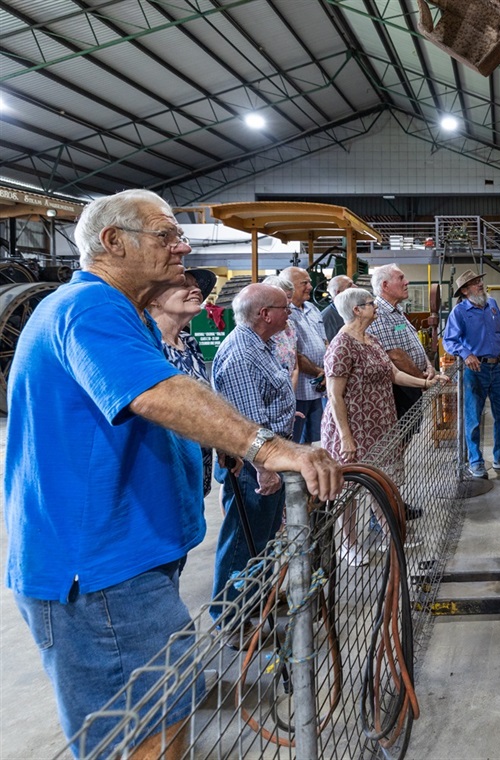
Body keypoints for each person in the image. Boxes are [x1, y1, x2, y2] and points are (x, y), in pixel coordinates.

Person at [4, 189, 341, 759]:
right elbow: (157, 393)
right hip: (101, 574)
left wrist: (218, 442)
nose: (182, 246)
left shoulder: (118, 315)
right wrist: (264, 445)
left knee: (166, 715)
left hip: (124, 566)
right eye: (166, 235)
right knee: (147, 736)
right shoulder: (89, 307)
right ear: (112, 243)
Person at [322, 288, 446, 564]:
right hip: (353, 428)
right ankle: (349, 544)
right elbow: (334, 394)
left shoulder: (371, 338)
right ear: (356, 310)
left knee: (384, 482)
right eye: (370, 304)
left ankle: (391, 531)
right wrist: (346, 437)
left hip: (380, 424)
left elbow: (395, 374)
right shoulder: (342, 345)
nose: (374, 307)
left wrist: (426, 383)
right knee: (349, 490)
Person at [210, 283, 299, 639]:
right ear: (265, 314)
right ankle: (231, 619)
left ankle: (255, 598)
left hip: (269, 457)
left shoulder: (258, 345)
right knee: (242, 542)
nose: (289, 312)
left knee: (261, 539)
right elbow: (249, 423)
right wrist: (265, 468)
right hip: (253, 466)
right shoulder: (241, 354)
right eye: (284, 307)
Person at [442, 269, 500, 479]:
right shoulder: (459, 313)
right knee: (474, 418)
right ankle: (475, 461)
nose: (480, 285)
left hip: (498, 367)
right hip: (475, 371)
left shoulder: (492, 305)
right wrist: (466, 354)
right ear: (465, 291)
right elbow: (449, 341)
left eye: (479, 281)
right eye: (475, 283)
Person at [147, 268, 217, 499]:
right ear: (154, 298)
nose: (195, 290)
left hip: (197, 467)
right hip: (165, 472)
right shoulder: (148, 346)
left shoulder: (189, 342)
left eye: (196, 286)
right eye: (184, 285)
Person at [367, 263, 435, 421]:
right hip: (399, 388)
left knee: (410, 436)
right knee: (400, 437)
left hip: (412, 383)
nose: (407, 282)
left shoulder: (397, 311)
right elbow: (394, 355)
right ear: (385, 285)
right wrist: (422, 380)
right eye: (401, 278)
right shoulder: (379, 313)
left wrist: (429, 365)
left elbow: (413, 342)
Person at [282, 266, 327, 444]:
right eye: (304, 283)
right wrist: (318, 371)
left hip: (318, 388)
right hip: (299, 389)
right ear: (290, 286)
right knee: (295, 442)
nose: (310, 286)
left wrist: (326, 370)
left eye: (309, 282)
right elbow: (293, 353)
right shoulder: (286, 313)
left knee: (315, 440)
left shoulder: (312, 309)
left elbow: (324, 341)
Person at [262, 274, 300, 389]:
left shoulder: (289, 325)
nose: (290, 301)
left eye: (290, 296)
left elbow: (295, 365)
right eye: (287, 296)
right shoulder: (263, 330)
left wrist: (291, 394)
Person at [321, 274, 355, 341]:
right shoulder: (327, 318)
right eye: (350, 286)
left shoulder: (352, 310)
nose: (355, 287)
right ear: (339, 293)